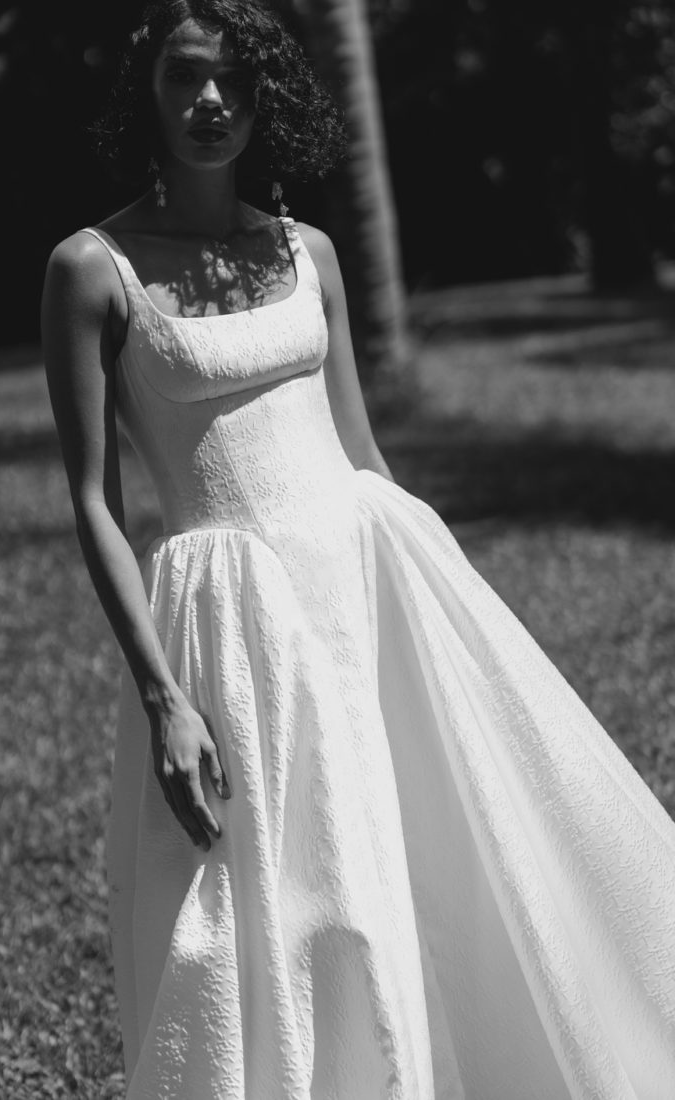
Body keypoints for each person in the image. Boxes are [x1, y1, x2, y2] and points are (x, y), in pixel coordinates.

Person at [41, 1, 675, 1097]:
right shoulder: (90, 268)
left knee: (444, 855)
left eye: (237, 82)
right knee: (288, 898)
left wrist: (446, 609)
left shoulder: (309, 251)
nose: (212, 102)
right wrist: (161, 696)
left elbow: (361, 453)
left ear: (265, 95)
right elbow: (94, 502)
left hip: (362, 575)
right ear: (145, 89)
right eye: (188, 77)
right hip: (235, 616)